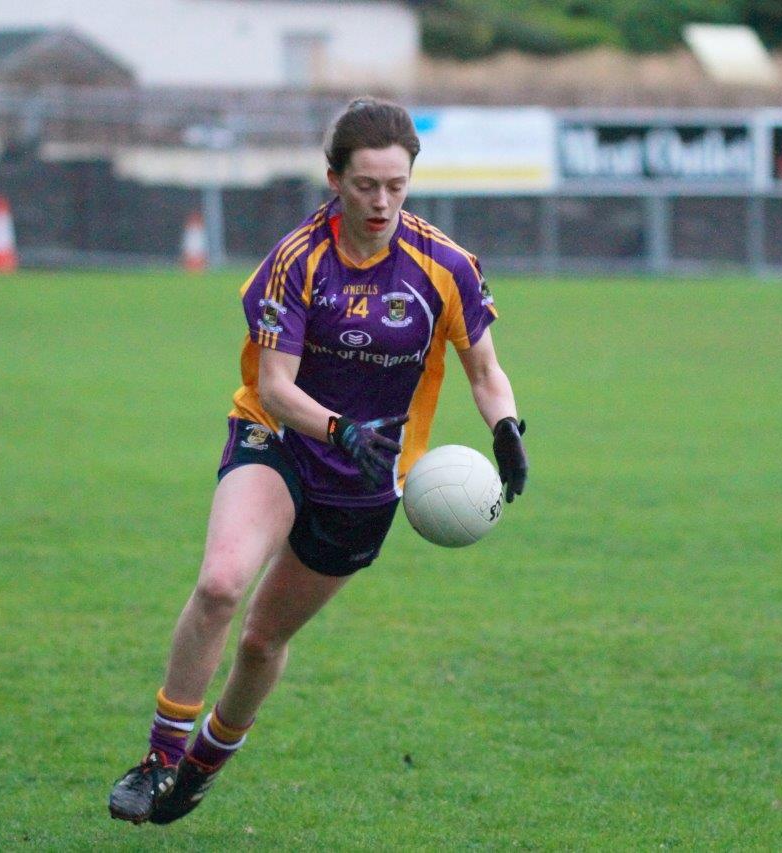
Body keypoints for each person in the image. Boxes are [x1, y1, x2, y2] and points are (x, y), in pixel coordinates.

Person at [108, 97, 530, 826]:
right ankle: (159, 758)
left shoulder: (445, 265)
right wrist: (340, 429)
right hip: (279, 440)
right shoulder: (297, 260)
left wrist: (508, 429)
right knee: (219, 584)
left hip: (367, 481)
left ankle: (202, 766)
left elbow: (485, 369)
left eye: (396, 185)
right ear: (334, 178)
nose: (382, 201)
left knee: (264, 639)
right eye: (366, 184)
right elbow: (275, 385)